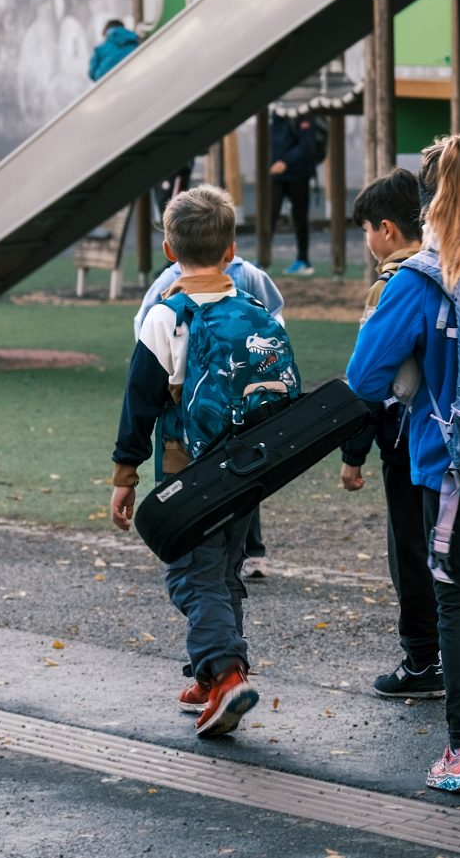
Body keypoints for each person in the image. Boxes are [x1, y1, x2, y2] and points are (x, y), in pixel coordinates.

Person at [347, 135, 460, 793]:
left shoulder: (420, 278)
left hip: (447, 460)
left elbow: (364, 376)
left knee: (453, 593)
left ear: (424, 200)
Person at [110, 184, 269, 738]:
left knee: (189, 576)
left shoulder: (165, 317)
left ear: (169, 251)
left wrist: (125, 475)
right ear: (231, 251)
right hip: (247, 468)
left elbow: (140, 402)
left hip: (189, 470)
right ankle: (209, 674)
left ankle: (226, 675)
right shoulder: (256, 311)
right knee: (223, 572)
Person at [338, 167, 443, 699]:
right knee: (456, 547)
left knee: (410, 548)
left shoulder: (393, 284)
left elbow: (369, 381)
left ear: (386, 229)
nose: (367, 240)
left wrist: (353, 452)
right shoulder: (453, 265)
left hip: (407, 437)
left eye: (366, 230)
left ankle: (423, 658)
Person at [133, 243, 286, 579]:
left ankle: (244, 555)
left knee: (238, 483)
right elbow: (144, 327)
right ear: (229, 248)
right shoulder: (168, 281)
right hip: (199, 417)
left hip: (228, 413)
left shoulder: (247, 275)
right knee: (216, 483)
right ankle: (219, 566)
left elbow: (273, 315)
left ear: (169, 248)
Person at [270, 113, 321, 276]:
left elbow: (306, 144)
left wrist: (285, 161)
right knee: (269, 215)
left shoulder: (301, 114)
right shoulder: (274, 114)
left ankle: (303, 259)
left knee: (300, 218)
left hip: (298, 175)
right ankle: (263, 258)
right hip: (276, 175)